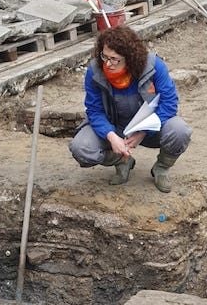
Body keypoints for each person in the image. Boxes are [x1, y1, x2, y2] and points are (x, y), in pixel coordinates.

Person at [69, 25, 192, 193]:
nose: (108, 63)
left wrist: (143, 132)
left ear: (130, 58)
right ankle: (121, 160)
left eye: (114, 59)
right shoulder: (95, 71)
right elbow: (94, 110)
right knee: (81, 148)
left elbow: (169, 103)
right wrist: (111, 137)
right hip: (114, 127)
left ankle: (161, 168)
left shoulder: (154, 66)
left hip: (150, 128)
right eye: (104, 56)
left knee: (179, 130)